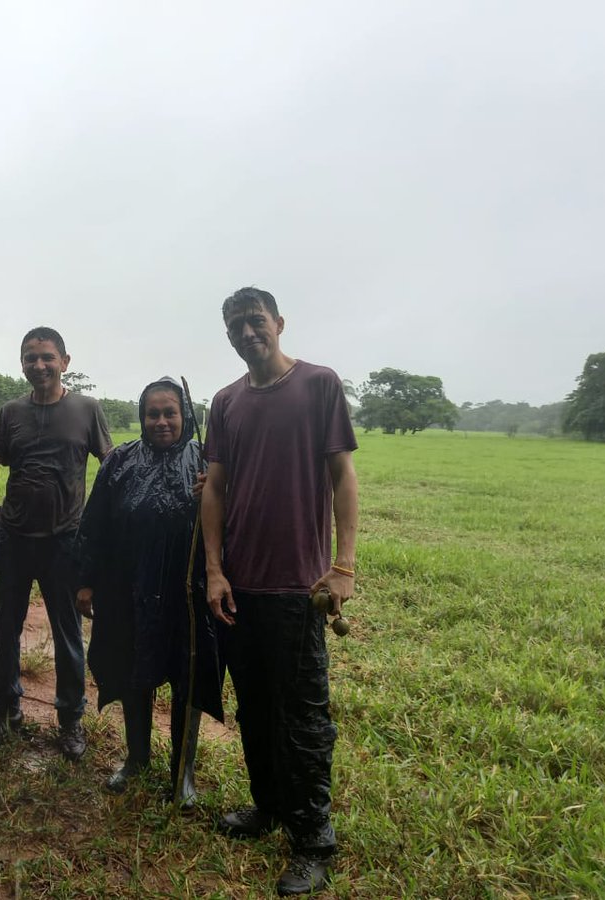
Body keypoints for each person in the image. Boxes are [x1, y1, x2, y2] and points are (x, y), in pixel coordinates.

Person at [202, 287, 359, 896]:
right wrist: (216, 571)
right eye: (236, 324)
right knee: (255, 709)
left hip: (299, 586)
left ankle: (313, 839)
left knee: (304, 719)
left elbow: (342, 476)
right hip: (240, 585)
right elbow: (214, 490)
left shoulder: (319, 385)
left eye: (256, 320)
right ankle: (266, 808)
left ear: (279, 323)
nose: (247, 331)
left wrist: (343, 564)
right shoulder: (225, 402)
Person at [0, 327, 111, 760]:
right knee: (5, 630)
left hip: (65, 541)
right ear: (21, 363)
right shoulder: (10, 412)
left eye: (47, 357)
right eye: (30, 358)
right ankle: (4, 713)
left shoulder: (87, 409)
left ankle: (70, 720)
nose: (39, 365)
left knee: (68, 633)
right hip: (13, 539)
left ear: (65, 361)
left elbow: (110, 468)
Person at [73, 377, 223, 807]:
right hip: (129, 587)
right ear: (141, 418)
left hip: (187, 593)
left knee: (187, 675)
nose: (160, 422)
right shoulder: (119, 461)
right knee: (133, 670)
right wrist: (85, 581)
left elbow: (234, 523)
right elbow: (94, 525)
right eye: (152, 414)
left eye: (169, 413)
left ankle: (183, 772)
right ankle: (137, 758)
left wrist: (212, 494)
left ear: (185, 416)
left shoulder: (208, 462)